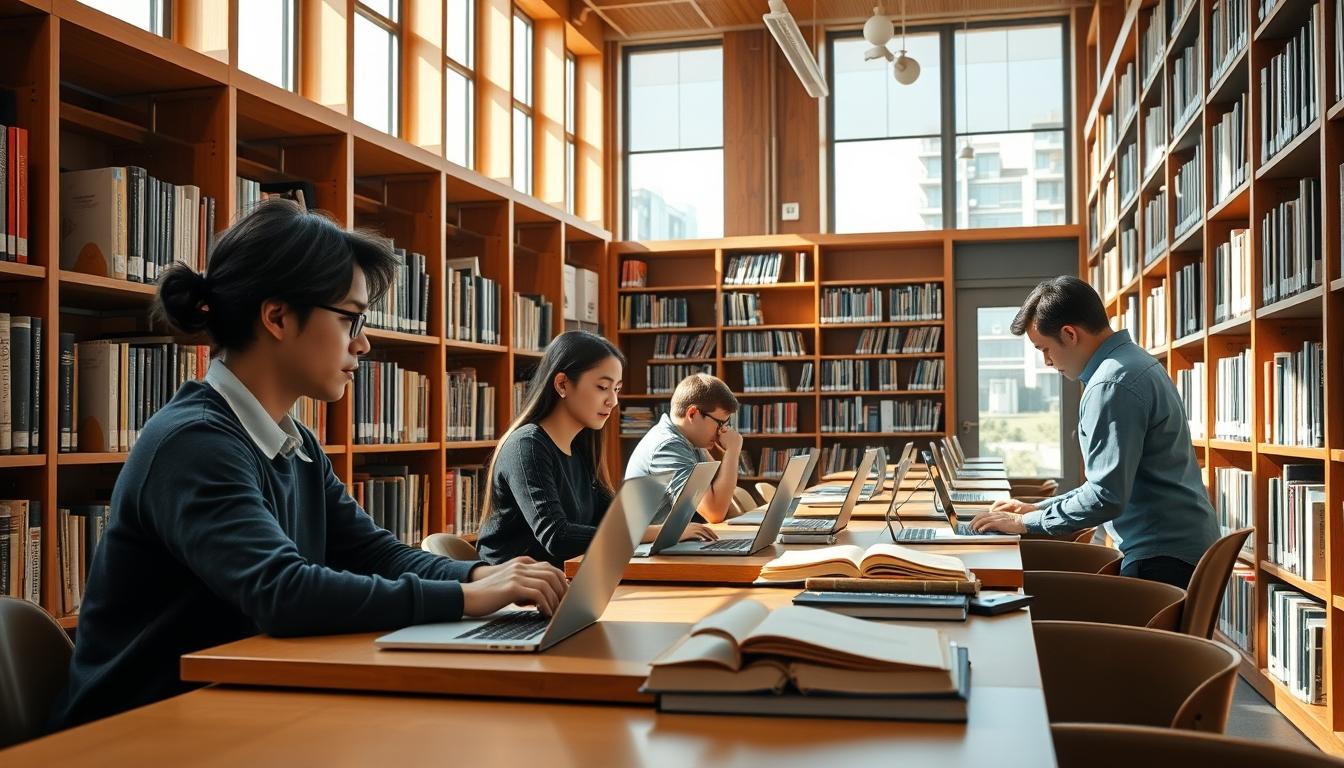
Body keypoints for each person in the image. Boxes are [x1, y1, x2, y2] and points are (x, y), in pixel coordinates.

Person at [49, 199, 565, 731]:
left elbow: (371, 552)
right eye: (350, 319)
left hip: (234, 707)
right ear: (276, 317)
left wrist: (485, 574)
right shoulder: (195, 441)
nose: (363, 342)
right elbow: (282, 592)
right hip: (138, 732)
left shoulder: (293, 442)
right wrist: (465, 597)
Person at [969, 275, 1219, 588]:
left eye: (1044, 349)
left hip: (1162, 559)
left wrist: (1024, 523)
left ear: (1069, 334)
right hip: (1176, 547)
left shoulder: (1111, 385)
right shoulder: (1132, 362)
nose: (1047, 362)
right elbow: (1106, 484)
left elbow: (1106, 496)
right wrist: (1038, 508)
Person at [475, 331, 716, 567]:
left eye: (617, 389)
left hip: (572, 577)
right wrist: (657, 533)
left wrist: (668, 531)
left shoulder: (581, 447)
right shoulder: (526, 446)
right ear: (562, 384)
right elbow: (557, 537)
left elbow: (612, 520)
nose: (613, 401)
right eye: (603, 387)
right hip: (517, 593)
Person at [624, 373, 743, 524]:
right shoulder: (669, 446)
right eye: (720, 423)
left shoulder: (691, 441)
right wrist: (733, 451)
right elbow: (715, 512)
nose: (722, 431)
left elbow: (724, 498)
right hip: (650, 546)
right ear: (692, 413)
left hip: (673, 543)